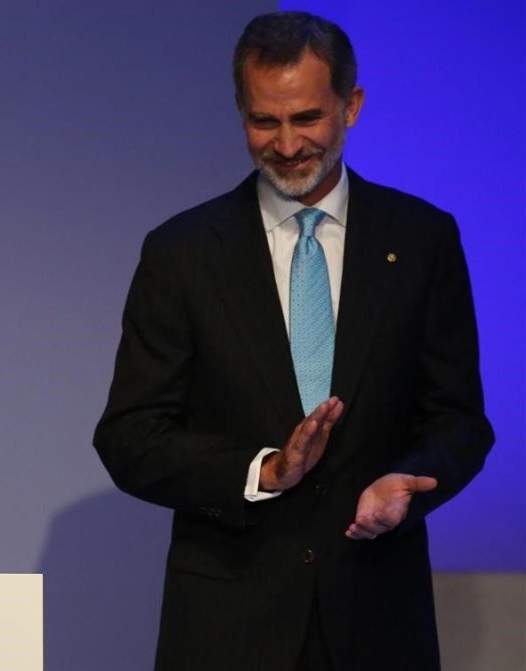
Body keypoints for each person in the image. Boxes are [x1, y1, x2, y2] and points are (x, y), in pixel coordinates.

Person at [93, 12, 493, 671]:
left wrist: (408, 481)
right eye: (263, 121)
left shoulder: (422, 240)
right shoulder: (182, 253)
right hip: (227, 627)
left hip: (378, 619)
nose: (285, 144)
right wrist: (263, 470)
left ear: (351, 106)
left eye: (306, 118)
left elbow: (459, 420)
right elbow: (130, 436)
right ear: (240, 111)